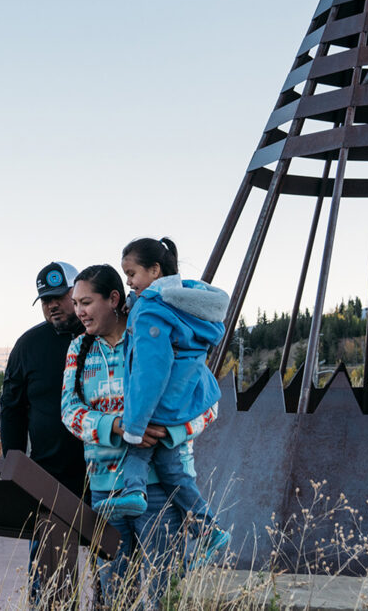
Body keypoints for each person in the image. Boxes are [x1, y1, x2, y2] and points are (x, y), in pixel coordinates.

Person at [96, 237, 230, 566]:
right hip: (188, 396)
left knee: (137, 442)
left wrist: (135, 423)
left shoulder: (151, 312)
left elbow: (150, 372)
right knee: (170, 467)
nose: (128, 281)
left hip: (163, 403)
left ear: (154, 270)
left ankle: (135, 494)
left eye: (132, 273)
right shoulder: (183, 301)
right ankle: (205, 527)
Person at [60, 264, 185, 607]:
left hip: (157, 487)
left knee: (164, 590)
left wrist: (164, 431)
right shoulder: (79, 350)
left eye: (86, 302)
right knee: (115, 592)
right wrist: (118, 427)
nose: (78, 312)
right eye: (75, 303)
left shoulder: (153, 336)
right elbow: (69, 413)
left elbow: (199, 405)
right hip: (104, 489)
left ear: (113, 298)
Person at [0, 261, 88, 607]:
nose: (52, 305)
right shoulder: (29, 345)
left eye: (60, 296)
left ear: (77, 293)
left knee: (113, 568)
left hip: (105, 474)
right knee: (50, 581)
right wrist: (14, 462)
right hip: (50, 477)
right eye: (45, 299)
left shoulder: (101, 335)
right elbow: (12, 407)